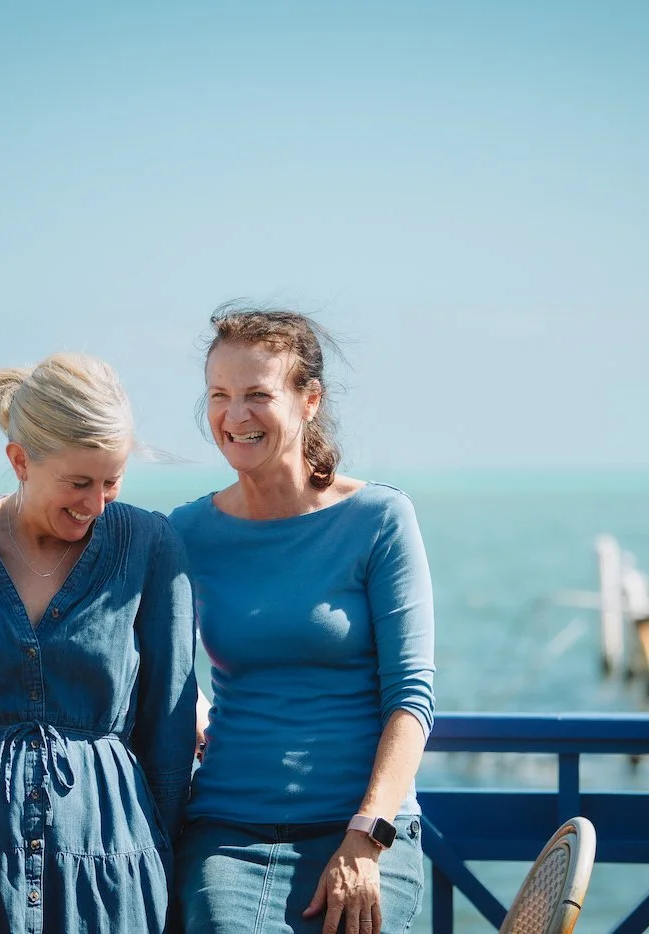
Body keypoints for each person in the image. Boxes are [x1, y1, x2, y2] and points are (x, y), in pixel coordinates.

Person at [0, 352, 197, 933]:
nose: (95, 504)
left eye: (112, 481)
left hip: (109, 862)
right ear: (20, 460)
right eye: (78, 482)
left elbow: (168, 731)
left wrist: (161, 859)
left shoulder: (150, 546)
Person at [169, 306, 436, 934]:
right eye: (220, 395)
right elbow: (149, 663)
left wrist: (367, 836)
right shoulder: (186, 531)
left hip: (363, 830)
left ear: (309, 399)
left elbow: (412, 699)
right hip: (228, 829)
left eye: (258, 394)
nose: (235, 416)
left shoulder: (379, 519)